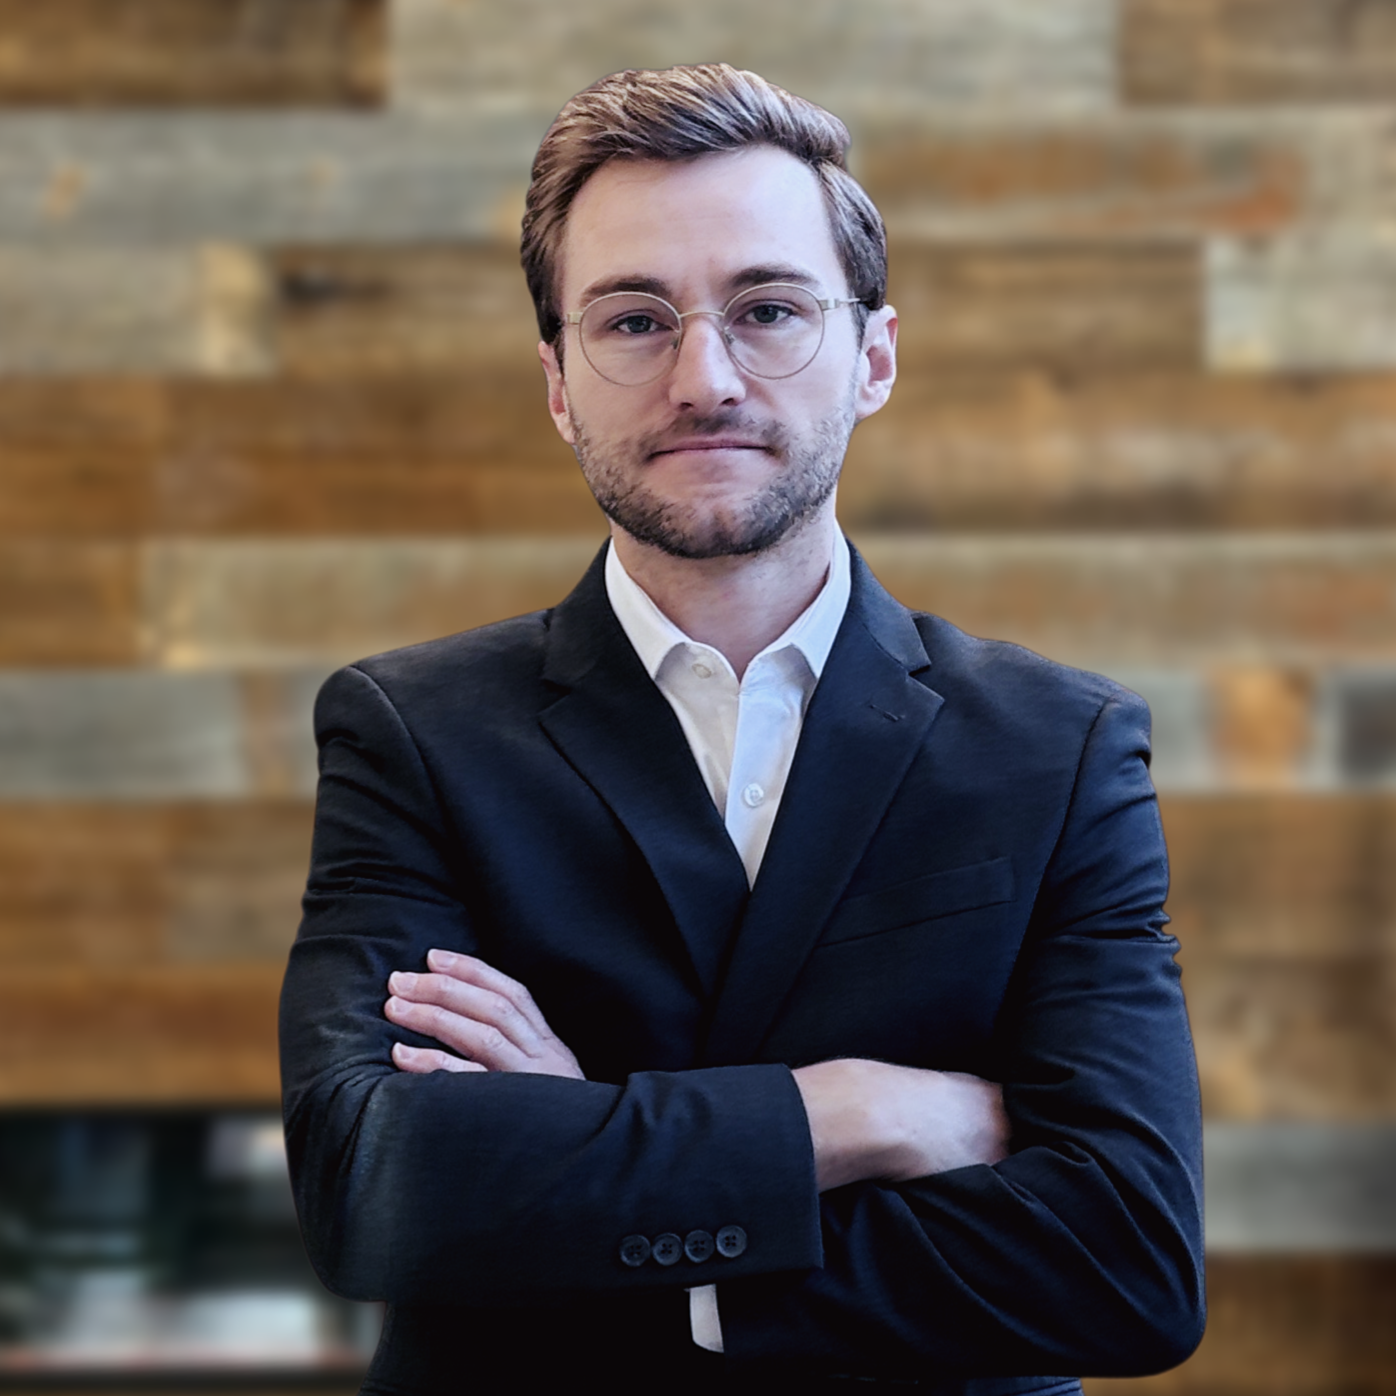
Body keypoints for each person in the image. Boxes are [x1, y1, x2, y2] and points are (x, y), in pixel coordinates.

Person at [279, 64, 1205, 1394]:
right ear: (557, 382)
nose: (703, 376)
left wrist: (582, 1153)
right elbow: (376, 1191)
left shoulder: (1059, 748)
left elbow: (1126, 1263)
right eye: (634, 320)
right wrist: (861, 1112)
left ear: (873, 354)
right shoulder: (406, 734)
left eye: (768, 308)